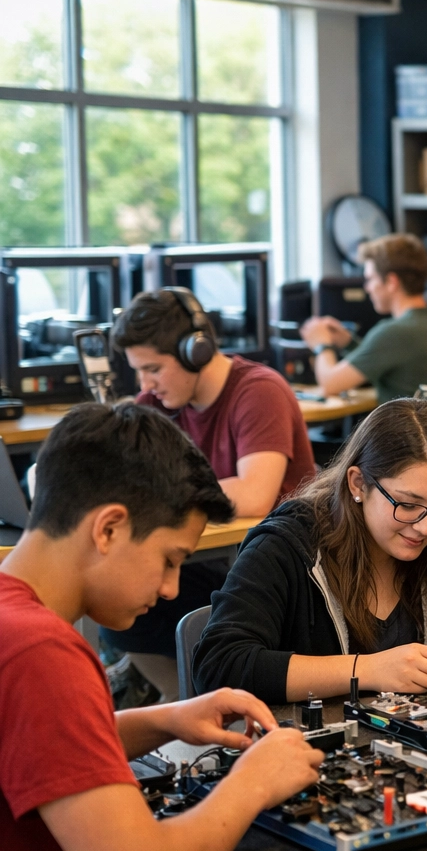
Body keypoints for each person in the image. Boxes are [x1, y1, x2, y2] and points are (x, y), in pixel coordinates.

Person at [0, 402, 323, 851]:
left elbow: (34, 749)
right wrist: (253, 781)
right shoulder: (45, 653)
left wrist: (166, 719)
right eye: (170, 560)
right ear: (109, 528)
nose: (173, 588)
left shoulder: (11, 617)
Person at [194, 398, 427, 704]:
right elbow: (220, 665)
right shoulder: (287, 546)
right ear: (358, 484)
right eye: (408, 505)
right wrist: (369, 670)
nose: (424, 527)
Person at [107, 287, 318, 700]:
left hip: (280, 570)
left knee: (146, 591)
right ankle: (173, 703)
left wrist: (161, 491)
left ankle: (180, 703)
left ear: (195, 352)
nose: (144, 382)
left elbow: (255, 495)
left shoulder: (259, 391)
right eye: (138, 371)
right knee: (115, 584)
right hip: (214, 557)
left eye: (153, 368)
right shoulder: (156, 402)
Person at [301, 233, 427, 403]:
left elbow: (330, 384)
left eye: (370, 279)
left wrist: (321, 344)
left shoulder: (395, 332)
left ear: (391, 282)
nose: (367, 288)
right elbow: (387, 359)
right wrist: (349, 343)